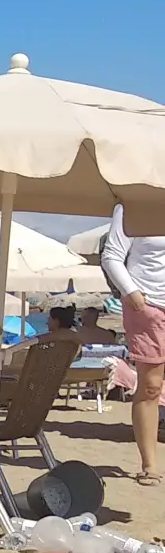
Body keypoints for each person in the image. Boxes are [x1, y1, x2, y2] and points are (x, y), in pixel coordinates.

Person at [101, 205, 165, 483]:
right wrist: (132, 293)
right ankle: (150, 464)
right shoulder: (133, 204)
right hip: (149, 306)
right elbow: (112, 255)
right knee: (151, 386)